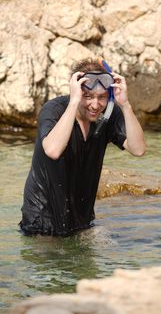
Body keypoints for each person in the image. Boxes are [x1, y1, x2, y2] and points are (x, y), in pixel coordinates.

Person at [19, 58, 146, 236]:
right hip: (41, 222)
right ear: (76, 92)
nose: (95, 105)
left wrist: (125, 104)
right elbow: (53, 150)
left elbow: (138, 149)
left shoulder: (107, 115)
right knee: (52, 263)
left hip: (81, 222)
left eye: (102, 97)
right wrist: (74, 102)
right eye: (88, 96)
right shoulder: (53, 110)